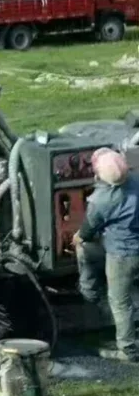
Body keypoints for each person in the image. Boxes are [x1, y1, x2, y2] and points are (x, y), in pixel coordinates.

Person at [73, 147, 139, 362]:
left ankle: (128, 349)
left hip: (122, 255)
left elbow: (87, 232)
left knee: (120, 301)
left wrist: (77, 238)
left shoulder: (100, 201)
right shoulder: (136, 182)